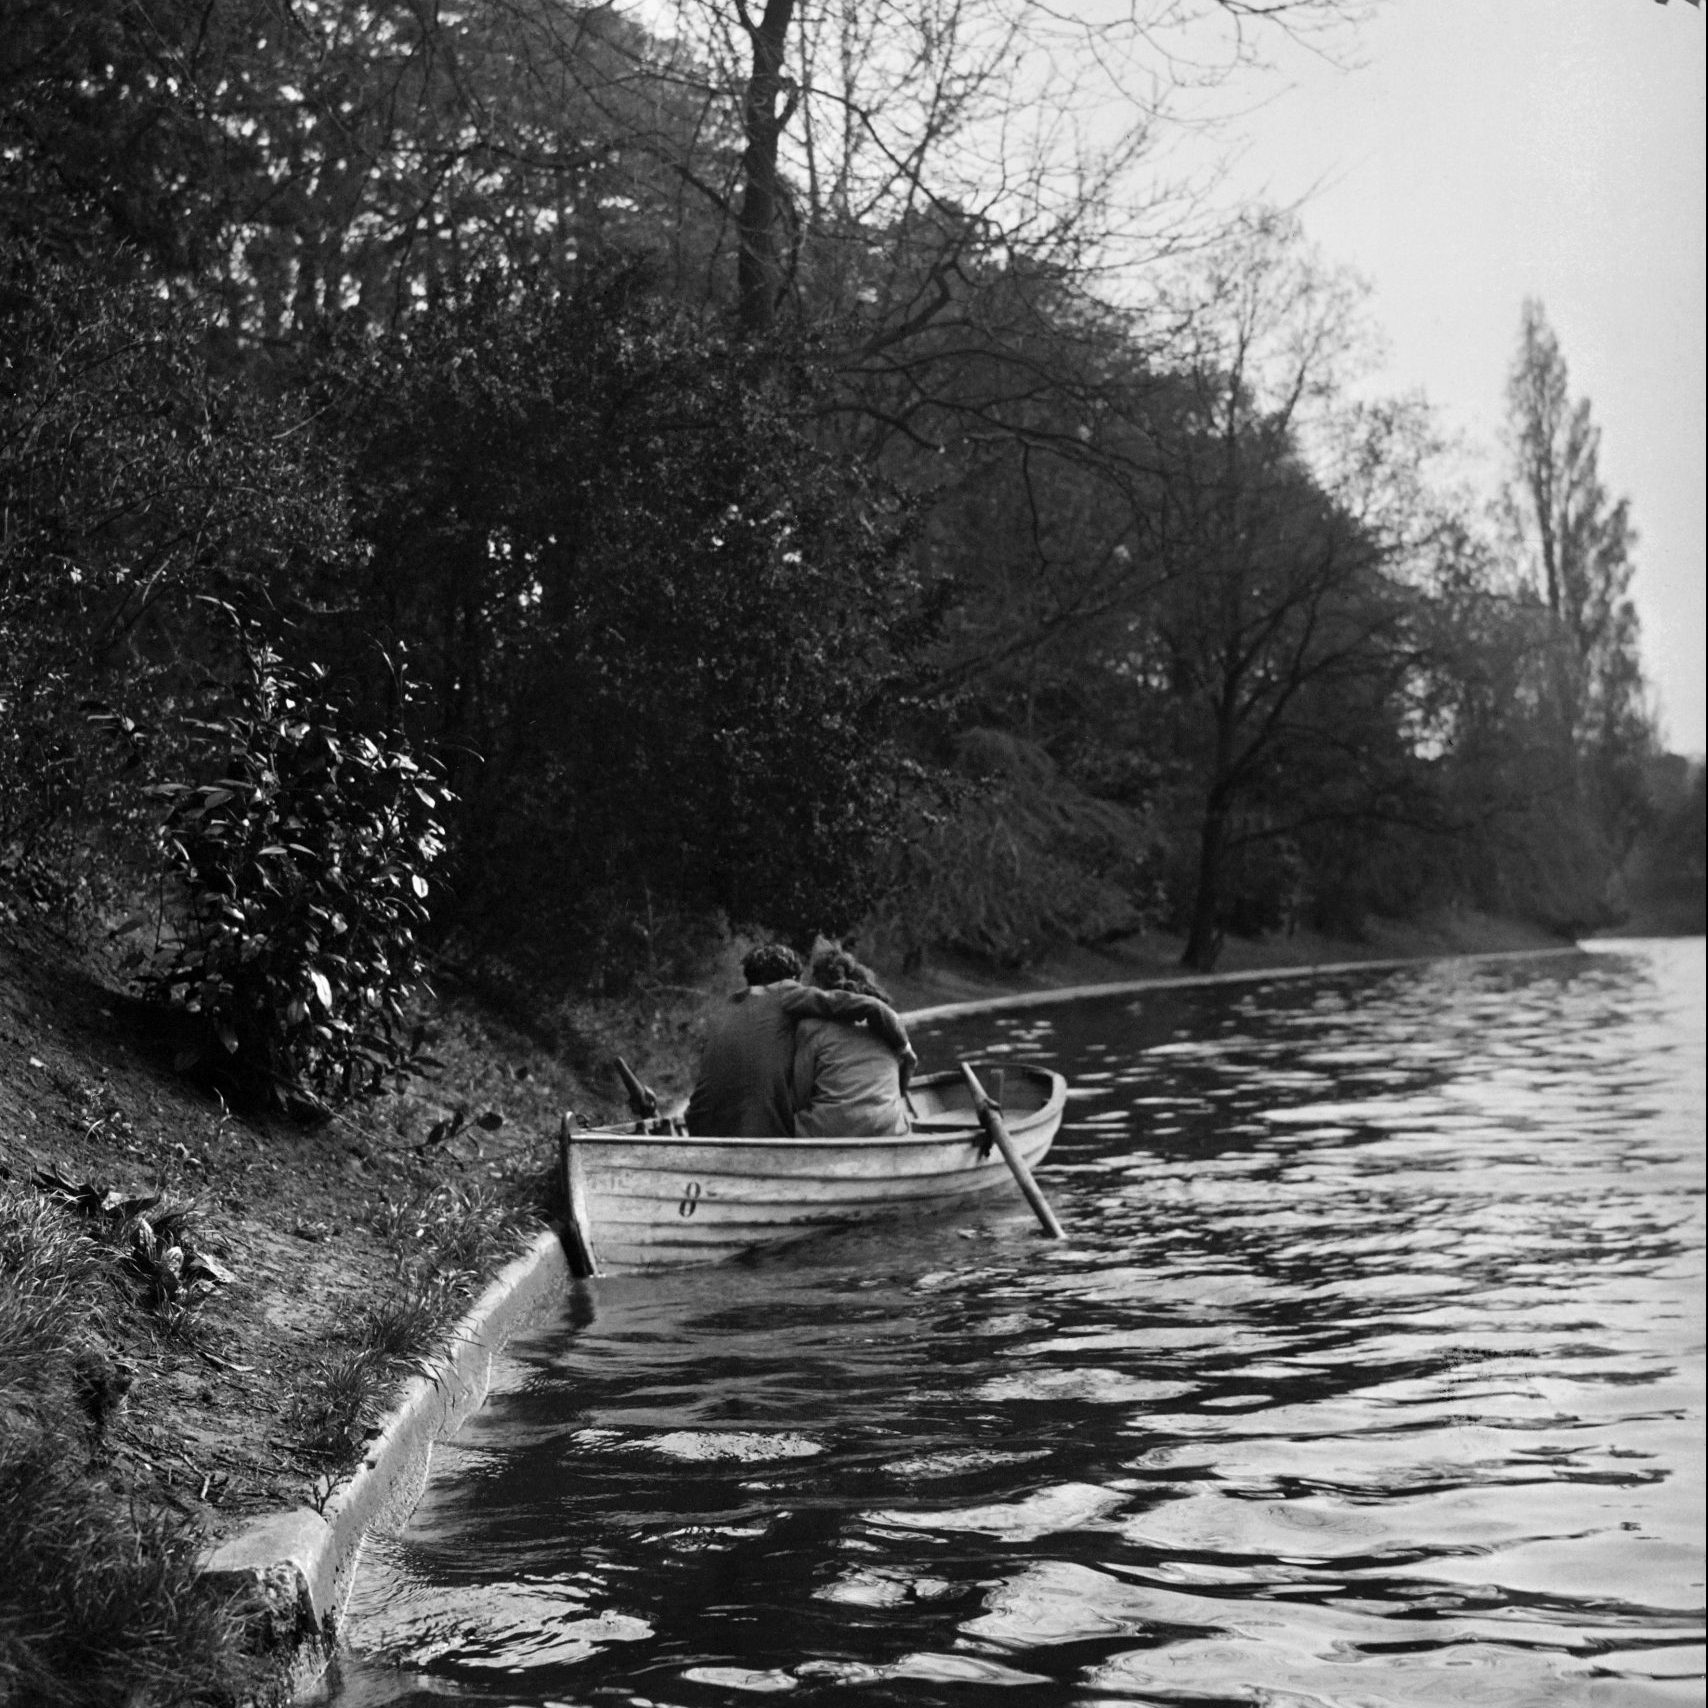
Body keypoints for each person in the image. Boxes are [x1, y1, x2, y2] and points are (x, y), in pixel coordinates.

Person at [684, 943, 914, 1138]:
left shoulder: (726, 1009)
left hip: (701, 1125)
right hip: (757, 1131)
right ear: (795, 979)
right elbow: (870, 1006)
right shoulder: (786, 993)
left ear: (748, 980)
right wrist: (903, 1047)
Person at [790, 948, 916, 1138]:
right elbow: (904, 1079)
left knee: (779, 1120)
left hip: (830, 1133)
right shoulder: (887, 1023)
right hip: (888, 1129)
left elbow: (799, 1096)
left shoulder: (810, 1027)